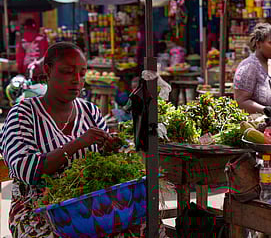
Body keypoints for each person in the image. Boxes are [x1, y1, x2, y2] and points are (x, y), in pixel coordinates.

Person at [0, 42, 166, 238]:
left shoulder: (90, 111)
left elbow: (104, 164)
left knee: (147, 226)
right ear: (48, 70)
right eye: (67, 72)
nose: (77, 80)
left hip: (90, 202)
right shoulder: (23, 114)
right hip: (39, 208)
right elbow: (26, 170)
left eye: (82, 72)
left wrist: (111, 148)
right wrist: (78, 143)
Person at [234, 23, 271, 115]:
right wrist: (269, 112)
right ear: (258, 43)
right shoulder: (249, 66)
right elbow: (241, 102)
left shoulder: (270, 63)